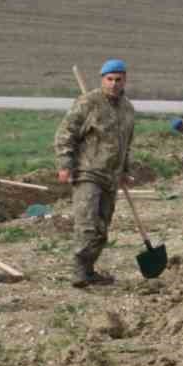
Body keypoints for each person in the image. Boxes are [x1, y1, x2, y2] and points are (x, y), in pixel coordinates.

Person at [54, 58, 136, 287]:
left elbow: (126, 143)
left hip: (111, 176)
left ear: (125, 80)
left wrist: (125, 170)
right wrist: (65, 164)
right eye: (109, 79)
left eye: (118, 80)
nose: (114, 84)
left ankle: (89, 270)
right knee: (87, 223)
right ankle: (79, 271)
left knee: (102, 228)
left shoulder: (128, 109)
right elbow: (65, 133)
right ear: (102, 79)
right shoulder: (88, 103)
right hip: (88, 172)